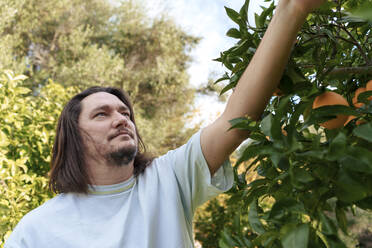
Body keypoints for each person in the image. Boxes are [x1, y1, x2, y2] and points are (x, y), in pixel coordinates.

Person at [5, 0, 325, 247]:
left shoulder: (168, 178)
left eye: (125, 113)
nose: (121, 119)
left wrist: (291, 9)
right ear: (72, 137)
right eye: (102, 114)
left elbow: (238, 121)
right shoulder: (36, 230)